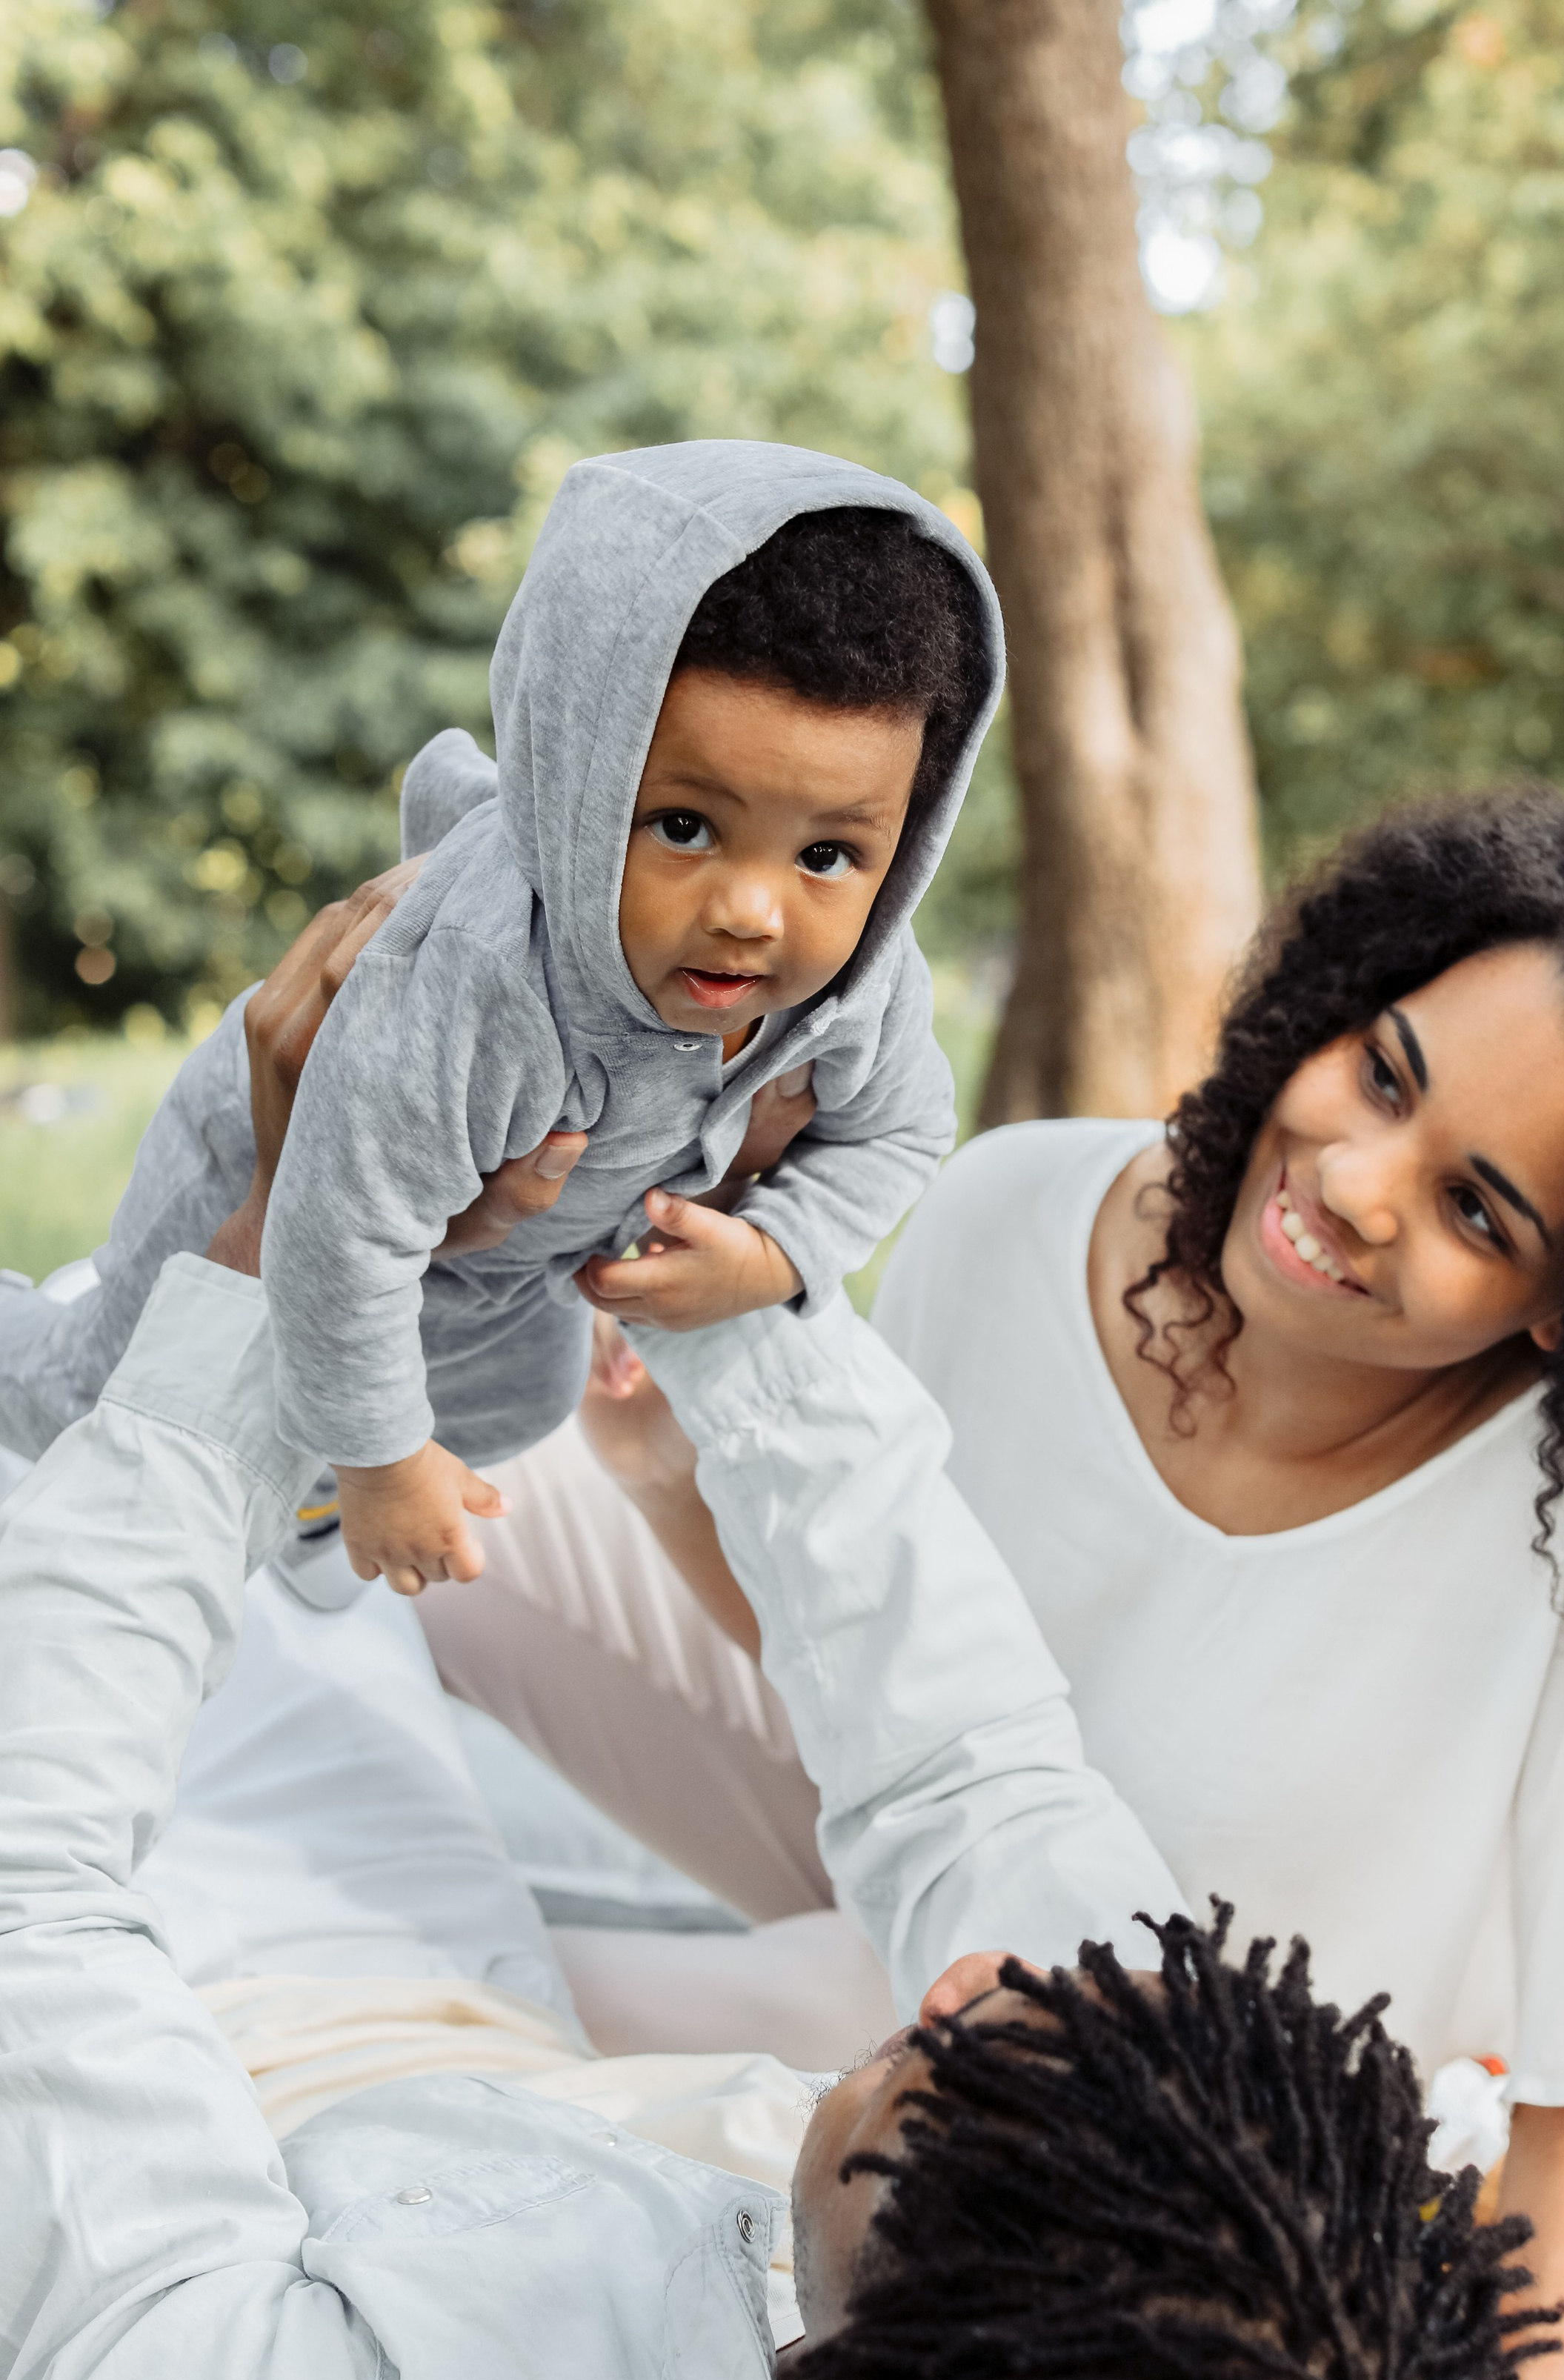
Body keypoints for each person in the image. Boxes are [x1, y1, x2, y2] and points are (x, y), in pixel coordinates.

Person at [0, 1046, 1541, 2380]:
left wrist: (254, 1280)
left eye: (942, 2078)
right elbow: (969, 1768)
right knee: (202, 1436)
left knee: (108, 1385)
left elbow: (35, 1898)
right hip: (444, 2045)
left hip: (184, 2010)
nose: (959, 1993)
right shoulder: (1121, 2215)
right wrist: (729, 1273)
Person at [427, 791, 1564, 2380]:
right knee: (415, 1474)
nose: (1348, 1188)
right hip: (901, 1856)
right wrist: (671, 1474)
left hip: (1079, 2091)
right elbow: (887, 1669)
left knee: (445, 2025)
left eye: (1474, 1211)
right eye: (1382, 1072)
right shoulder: (1017, 1206)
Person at [0, 443, 1001, 1592]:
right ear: (578, 786)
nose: (753, 913)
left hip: (502, 1267)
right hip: (280, 1186)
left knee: (524, 1398)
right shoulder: (487, 983)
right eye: (683, 827)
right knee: (102, 1392)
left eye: (828, 853)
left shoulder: (865, 985)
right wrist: (384, 1464)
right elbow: (339, 1230)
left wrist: (780, 1252)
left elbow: (903, 1130)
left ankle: (319, 1486)